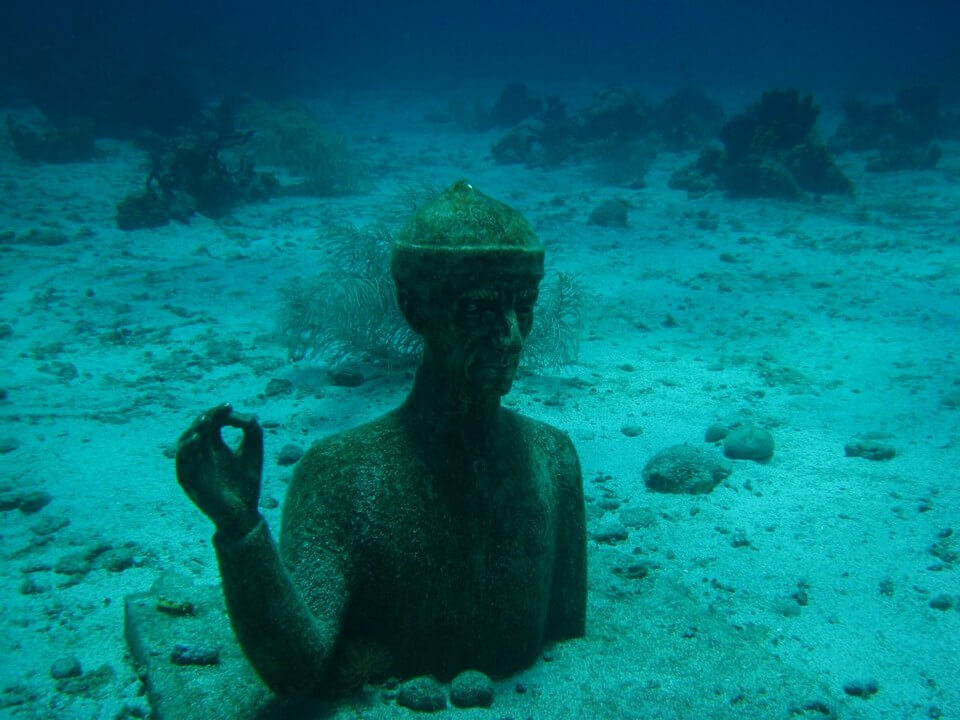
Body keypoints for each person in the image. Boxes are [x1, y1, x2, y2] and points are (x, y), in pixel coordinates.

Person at [175, 180, 586, 696]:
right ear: (414, 308)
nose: (512, 337)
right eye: (479, 309)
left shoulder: (555, 458)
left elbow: (569, 637)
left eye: (523, 306)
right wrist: (241, 533)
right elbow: (298, 667)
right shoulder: (340, 477)